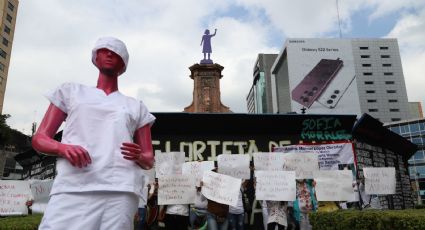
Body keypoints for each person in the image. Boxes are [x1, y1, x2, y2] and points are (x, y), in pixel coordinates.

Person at [32, 36, 156, 230]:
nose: (109, 54)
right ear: (95, 57)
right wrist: (62, 148)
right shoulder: (71, 92)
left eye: (116, 53)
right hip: (74, 184)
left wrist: (140, 155)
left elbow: (149, 158)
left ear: (123, 63)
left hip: (120, 187)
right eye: (104, 50)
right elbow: (40, 138)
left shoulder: (136, 106)